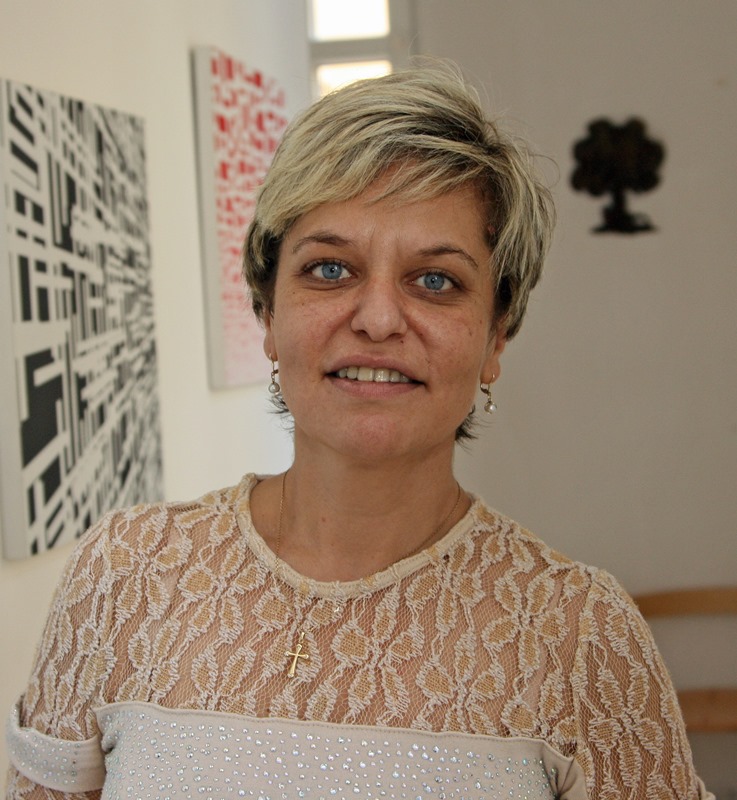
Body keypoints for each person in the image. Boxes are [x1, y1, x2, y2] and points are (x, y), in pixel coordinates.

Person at [6, 63, 711, 799]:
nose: (377, 320)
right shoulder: (125, 577)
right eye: (329, 269)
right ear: (268, 314)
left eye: (435, 280)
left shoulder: (579, 633)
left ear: (496, 336)